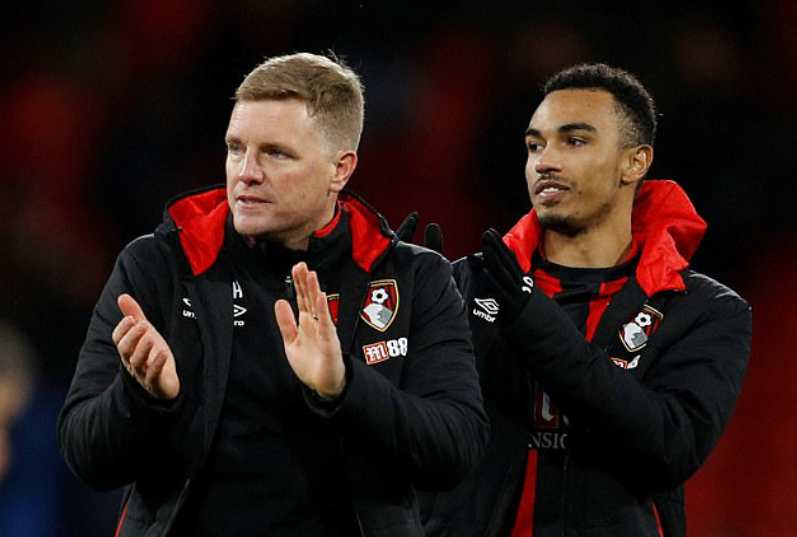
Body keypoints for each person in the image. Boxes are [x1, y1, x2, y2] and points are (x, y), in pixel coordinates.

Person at [58, 52, 488, 537]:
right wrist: (141, 398)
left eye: (276, 154)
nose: (246, 172)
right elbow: (85, 456)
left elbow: (456, 451)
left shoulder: (413, 278)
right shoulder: (160, 267)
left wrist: (345, 388)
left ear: (340, 169)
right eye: (236, 148)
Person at [421, 64, 751, 536]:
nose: (546, 162)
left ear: (634, 162)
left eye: (574, 141)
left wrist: (535, 323)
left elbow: (668, 450)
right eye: (535, 145)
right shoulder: (464, 286)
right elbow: (409, 444)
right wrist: (390, 336)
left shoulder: (702, 309)